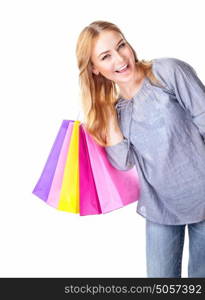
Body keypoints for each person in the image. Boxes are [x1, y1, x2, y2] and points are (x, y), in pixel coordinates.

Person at [75, 20, 205, 278]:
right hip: (160, 207)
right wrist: (105, 110)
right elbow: (123, 162)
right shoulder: (116, 110)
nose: (121, 58)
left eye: (121, 45)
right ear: (94, 69)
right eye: (106, 56)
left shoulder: (167, 72)